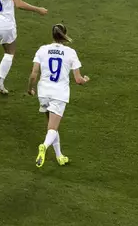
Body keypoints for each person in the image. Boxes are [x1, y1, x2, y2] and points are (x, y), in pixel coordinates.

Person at [29, 24, 90, 167]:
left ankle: (59, 156)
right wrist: (85, 79)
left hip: (43, 92)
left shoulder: (42, 50)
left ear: (52, 35)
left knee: (52, 126)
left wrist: (30, 89)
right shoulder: (70, 52)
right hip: (58, 94)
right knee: (52, 128)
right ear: (64, 34)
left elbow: (33, 74)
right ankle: (44, 146)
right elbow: (78, 80)